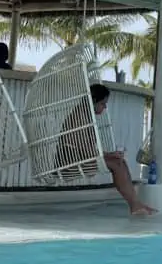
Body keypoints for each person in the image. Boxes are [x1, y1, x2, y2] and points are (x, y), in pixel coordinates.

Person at [64, 84, 155, 215]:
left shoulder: (84, 115)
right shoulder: (80, 118)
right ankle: (135, 205)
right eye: (103, 103)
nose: (105, 107)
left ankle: (136, 204)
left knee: (120, 162)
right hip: (70, 161)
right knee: (117, 164)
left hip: (78, 157)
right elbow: (80, 148)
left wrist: (110, 154)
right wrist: (108, 156)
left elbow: (86, 149)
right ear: (94, 101)